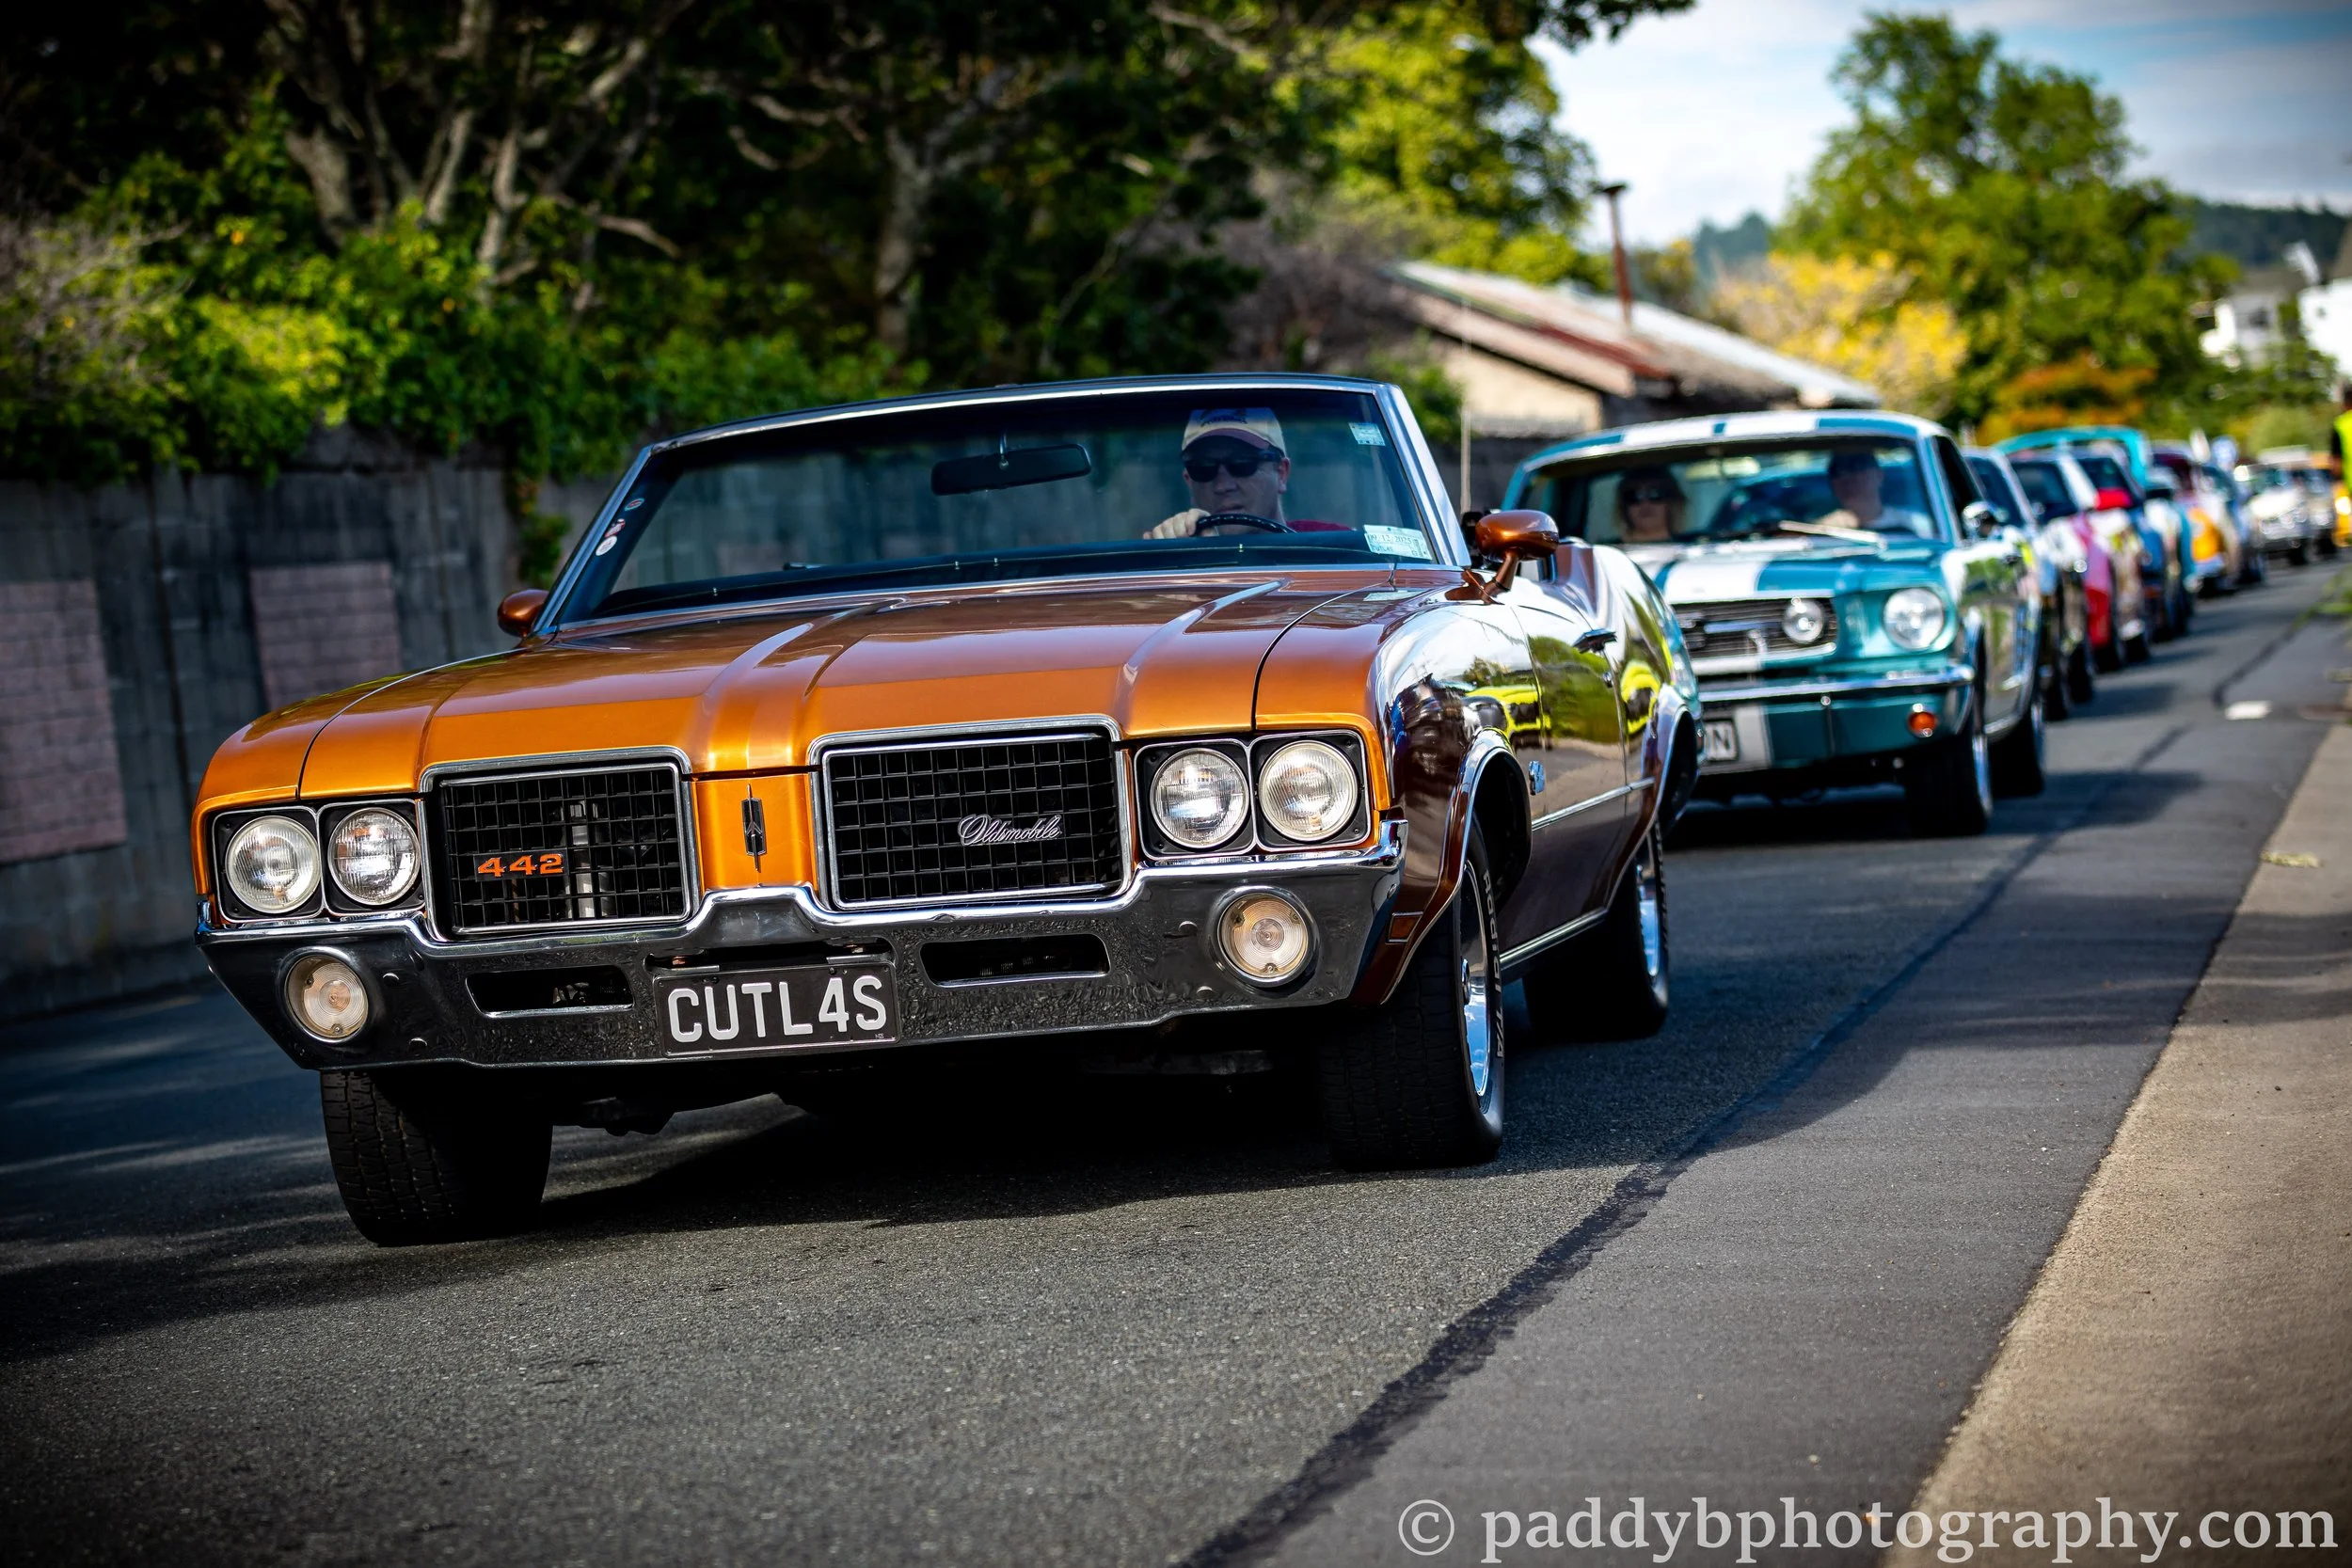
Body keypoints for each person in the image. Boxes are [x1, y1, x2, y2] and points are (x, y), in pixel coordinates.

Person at [1149, 408, 1294, 537]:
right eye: (1203, 468)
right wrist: (1173, 556)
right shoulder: (1178, 557)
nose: (1223, 486)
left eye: (1242, 463)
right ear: (1189, 482)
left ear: (1281, 473)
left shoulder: (1315, 551)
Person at [1822, 448, 1932, 535]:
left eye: (1857, 468)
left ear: (1879, 475)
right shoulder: (1820, 531)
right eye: (1836, 471)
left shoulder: (1916, 526)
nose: (1847, 478)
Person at [1616, 465, 1684, 543]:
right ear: (1624, 507)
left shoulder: (1690, 548)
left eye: (1655, 494)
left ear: (1671, 502)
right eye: (1634, 496)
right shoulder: (1610, 552)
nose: (1645, 503)